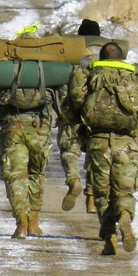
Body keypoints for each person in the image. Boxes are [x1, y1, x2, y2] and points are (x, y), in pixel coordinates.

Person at [69, 41, 138, 255]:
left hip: (98, 142)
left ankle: (109, 234)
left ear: (100, 57)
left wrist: (81, 72)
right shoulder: (132, 76)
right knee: (124, 190)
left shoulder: (92, 73)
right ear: (121, 58)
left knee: (102, 192)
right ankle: (126, 219)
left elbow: (76, 100)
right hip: (127, 143)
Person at [0, 37, 62, 240]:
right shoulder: (48, 68)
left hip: (12, 128)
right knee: (36, 174)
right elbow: (63, 98)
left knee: (15, 176)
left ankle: (21, 223)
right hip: (40, 128)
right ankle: (34, 221)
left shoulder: (4, 68)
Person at [56, 18, 107, 213]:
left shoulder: (73, 52)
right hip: (98, 112)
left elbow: (61, 82)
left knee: (69, 151)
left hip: (73, 113)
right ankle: (92, 198)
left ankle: (74, 180)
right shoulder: (106, 54)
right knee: (95, 153)